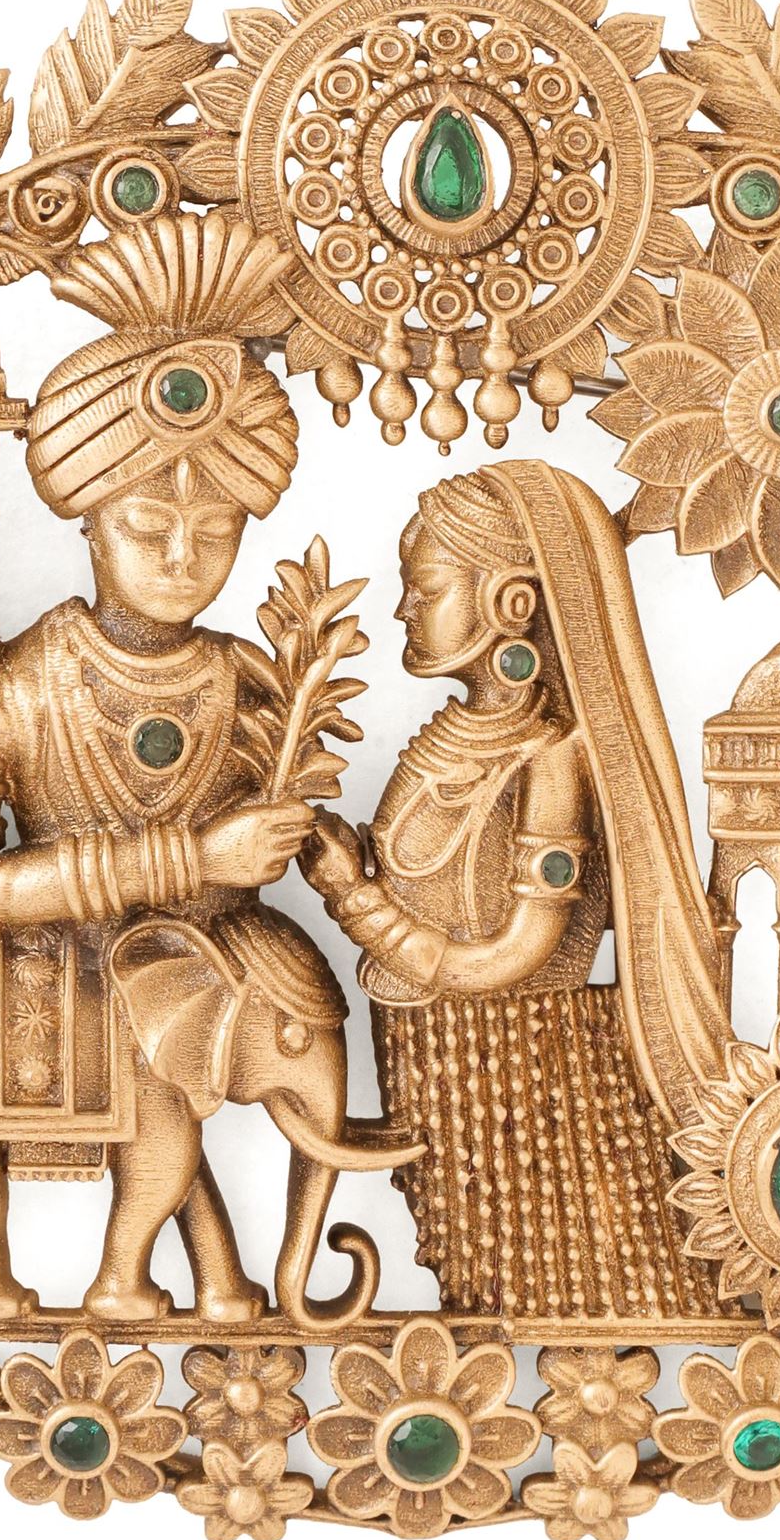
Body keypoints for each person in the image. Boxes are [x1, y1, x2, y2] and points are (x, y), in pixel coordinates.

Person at [0, 214, 402, 1324]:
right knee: (147, 1105)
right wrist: (185, 860)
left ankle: (197, 1274)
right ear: (90, 523)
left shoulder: (255, 687)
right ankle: (0, 1264)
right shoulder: (1, 702)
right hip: (51, 983)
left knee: (173, 1104)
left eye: (218, 532)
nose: (181, 557)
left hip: (195, 980)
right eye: (148, 523)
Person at [302, 457, 730, 1319]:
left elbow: (512, 955)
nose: (402, 609)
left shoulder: (550, 759)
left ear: (510, 603)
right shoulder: (455, 736)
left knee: (523, 1269)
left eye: (425, 589)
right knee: (468, 1259)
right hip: (431, 1050)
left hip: (508, 1061)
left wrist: (353, 899)